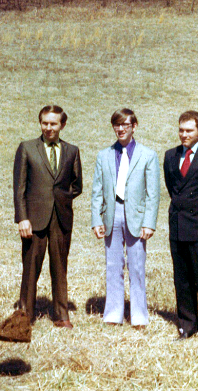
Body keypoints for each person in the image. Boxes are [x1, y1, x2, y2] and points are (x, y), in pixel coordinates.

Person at [14, 105, 82, 328]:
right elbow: (19, 187)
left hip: (61, 218)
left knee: (60, 266)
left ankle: (61, 315)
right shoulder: (27, 148)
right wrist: (22, 218)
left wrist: (61, 198)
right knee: (31, 267)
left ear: (62, 125)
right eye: (45, 123)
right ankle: (25, 315)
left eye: (53, 124)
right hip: (34, 219)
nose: (48, 128)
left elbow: (77, 184)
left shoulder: (72, 151)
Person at [91, 109, 160, 329]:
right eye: (116, 125)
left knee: (137, 265)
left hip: (137, 217)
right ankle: (113, 314)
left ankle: (139, 316)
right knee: (113, 265)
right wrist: (96, 219)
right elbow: (97, 191)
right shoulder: (104, 155)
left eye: (125, 125)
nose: (121, 129)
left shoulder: (147, 155)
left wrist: (149, 222)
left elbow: (153, 193)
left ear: (134, 126)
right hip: (112, 215)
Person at [163, 111, 198, 339]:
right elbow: (173, 189)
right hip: (178, 226)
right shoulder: (170, 155)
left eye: (189, 130)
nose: (184, 135)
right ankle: (187, 325)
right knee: (182, 279)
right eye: (181, 130)